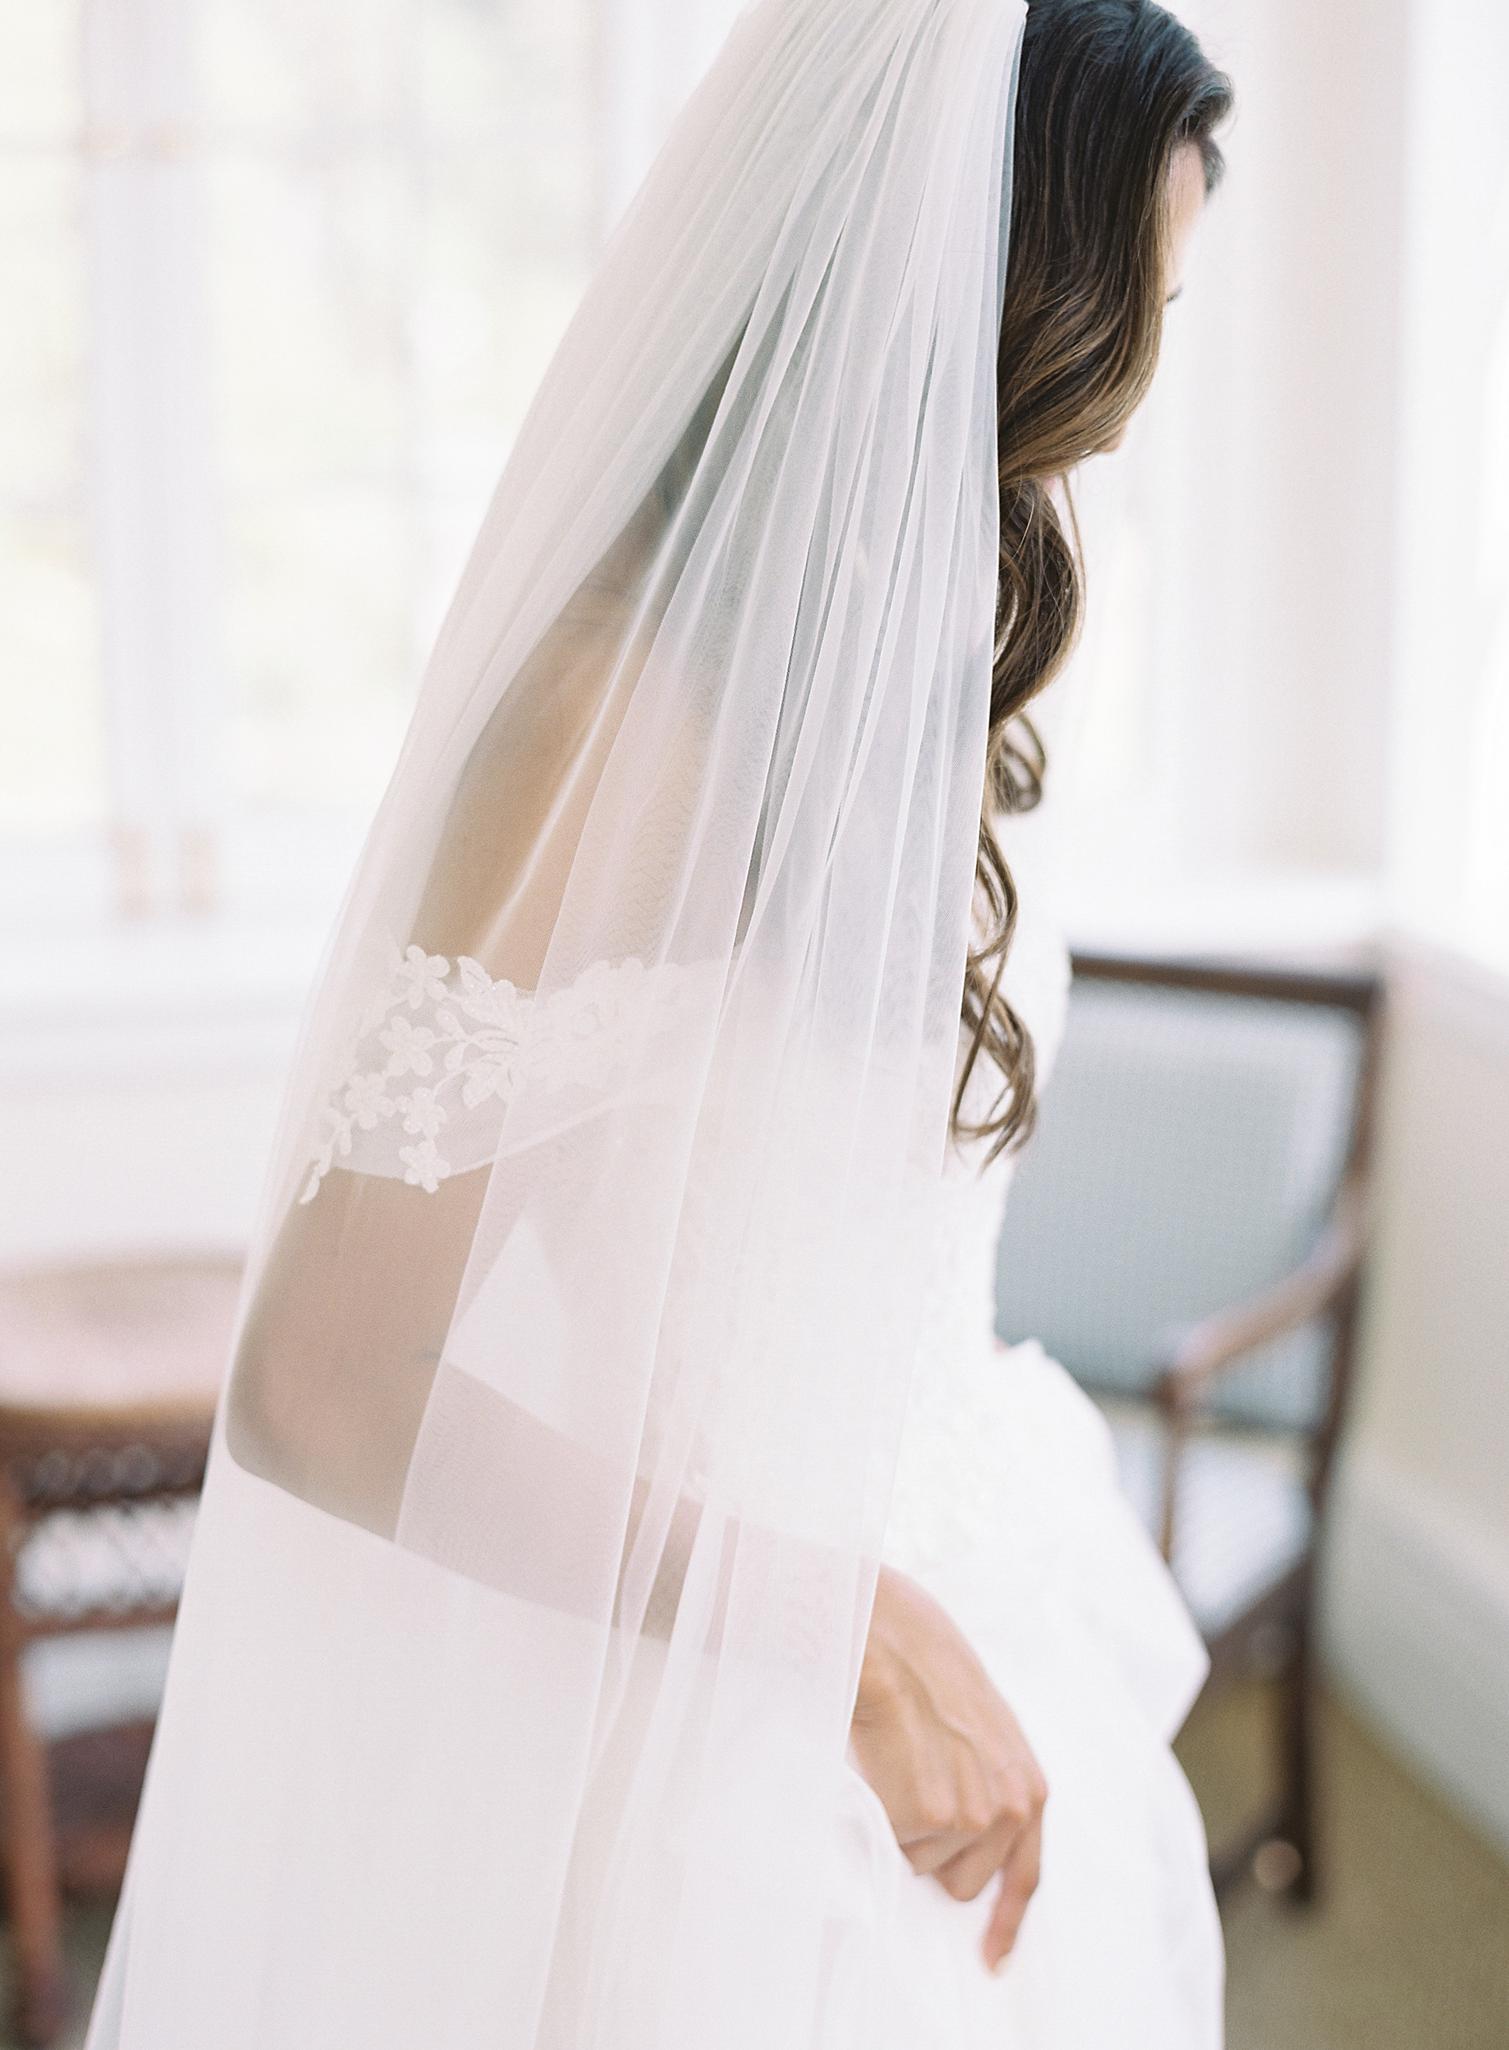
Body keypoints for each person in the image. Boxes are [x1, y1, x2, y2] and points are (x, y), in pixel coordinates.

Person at [83, 2, 1233, 2046]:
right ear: (1018, 278)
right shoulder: (617, 715)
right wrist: (833, 1632)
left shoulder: (917, 660)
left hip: (965, 1584)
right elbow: (326, 1380)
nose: (1156, 360)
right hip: (703, 1718)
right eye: (1152, 271)